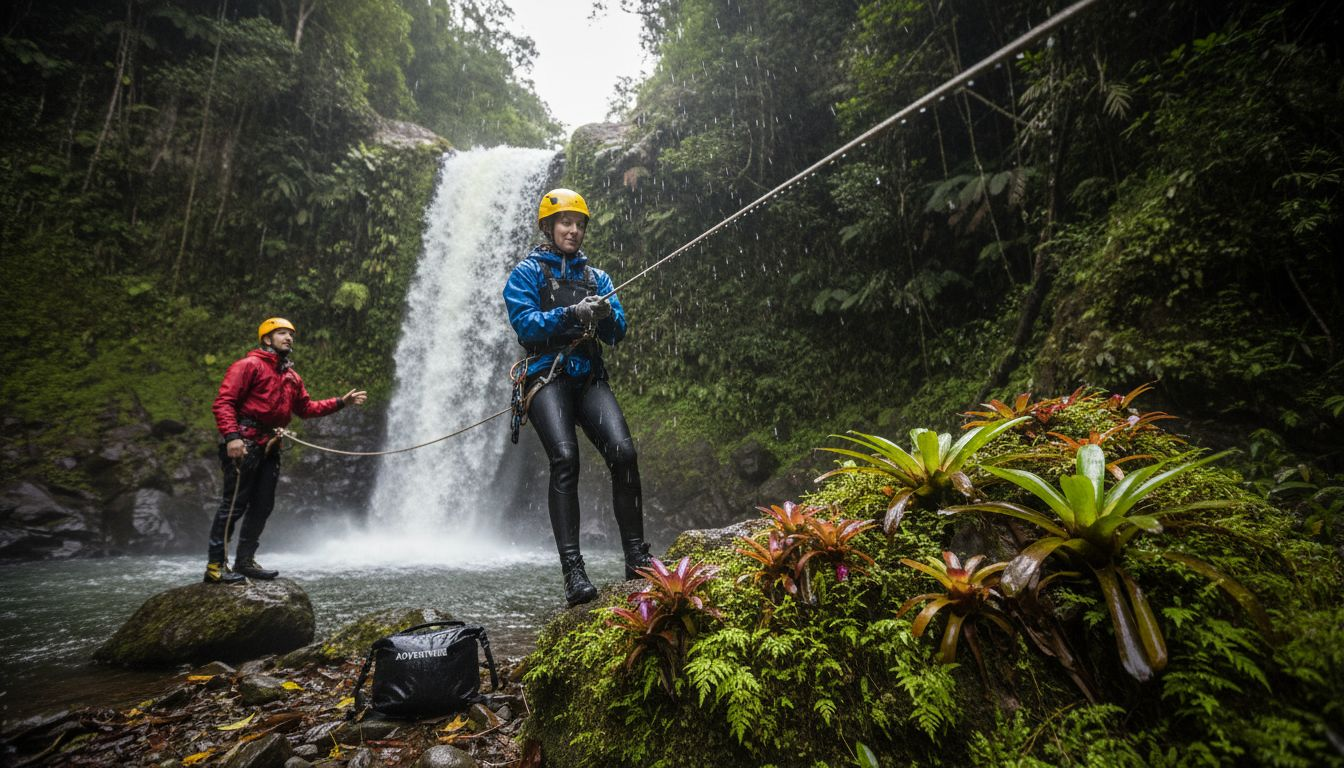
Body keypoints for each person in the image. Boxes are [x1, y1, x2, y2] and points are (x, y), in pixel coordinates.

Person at [503, 188, 652, 606]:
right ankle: (574, 573)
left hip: (588, 378)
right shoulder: (527, 274)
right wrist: (570, 314)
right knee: (565, 459)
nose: (573, 230)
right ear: (549, 227)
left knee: (623, 453)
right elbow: (526, 326)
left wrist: (604, 315)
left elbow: (617, 333)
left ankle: (636, 559)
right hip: (546, 379)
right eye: (565, 223)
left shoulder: (596, 278)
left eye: (579, 223)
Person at [204, 317, 367, 583]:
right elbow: (224, 402)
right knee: (233, 505)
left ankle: (245, 561)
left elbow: (306, 409)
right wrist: (232, 437)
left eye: (290, 334)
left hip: (269, 446)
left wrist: (341, 402)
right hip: (244, 442)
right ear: (267, 339)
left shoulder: (291, 376)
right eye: (281, 333)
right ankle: (215, 566)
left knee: (262, 506)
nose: (288, 338)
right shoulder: (248, 366)